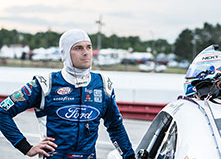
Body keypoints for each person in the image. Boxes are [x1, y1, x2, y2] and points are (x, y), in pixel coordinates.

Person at [0, 29, 135, 159]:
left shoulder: (104, 84)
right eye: (78, 48)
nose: (86, 52)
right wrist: (26, 148)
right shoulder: (44, 84)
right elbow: (2, 112)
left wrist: (129, 156)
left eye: (89, 47)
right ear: (65, 53)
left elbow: (115, 126)